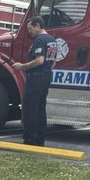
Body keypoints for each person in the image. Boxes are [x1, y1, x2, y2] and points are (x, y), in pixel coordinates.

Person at [13, 16, 56, 146]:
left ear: (37, 26)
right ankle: (39, 140)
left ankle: (30, 140)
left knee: (30, 109)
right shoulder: (52, 40)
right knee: (40, 109)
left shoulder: (40, 40)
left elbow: (39, 60)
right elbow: (52, 62)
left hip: (36, 78)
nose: (29, 32)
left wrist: (22, 67)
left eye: (30, 29)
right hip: (46, 77)